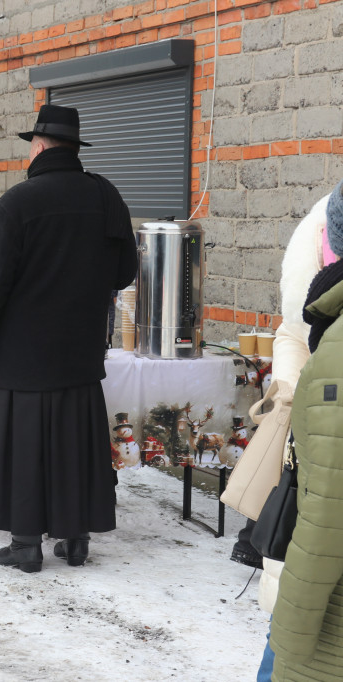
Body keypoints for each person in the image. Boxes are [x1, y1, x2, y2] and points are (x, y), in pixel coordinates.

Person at [0, 105, 137, 573]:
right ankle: (76, 541)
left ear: (38, 147)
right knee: (75, 445)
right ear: (74, 148)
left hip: (26, 356)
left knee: (27, 448)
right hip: (81, 353)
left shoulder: (18, 202)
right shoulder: (106, 196)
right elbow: (125, 272)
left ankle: (25, 544)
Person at [254, 181, 342, 681]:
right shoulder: (319, 222)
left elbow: (326, 520)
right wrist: (291, 391)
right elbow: (291, 328)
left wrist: (290, 634)